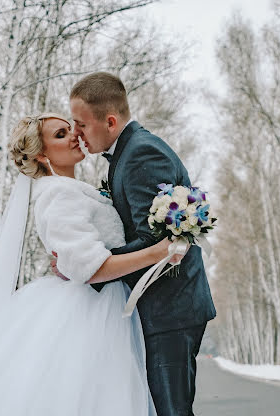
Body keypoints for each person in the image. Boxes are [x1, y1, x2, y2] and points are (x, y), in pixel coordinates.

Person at [0, 112, 171, 416]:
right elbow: (88, 268)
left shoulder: (72, 190)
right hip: (90, 313)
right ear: (40, 154)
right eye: (61, 134)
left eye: (71, 128)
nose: (74, 135)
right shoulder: (58, 194)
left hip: (102, 306)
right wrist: (159, 252)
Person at [67, 72, 216, 415]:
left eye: (81, 124)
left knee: (171, 410)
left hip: (170, 310)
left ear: (110, 121)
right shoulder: (130, 151)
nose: (77, 134)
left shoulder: (141, 154)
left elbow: (157, 243)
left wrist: (92, 265)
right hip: (165, 309)